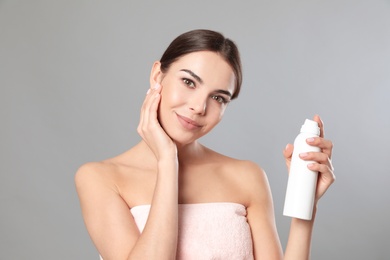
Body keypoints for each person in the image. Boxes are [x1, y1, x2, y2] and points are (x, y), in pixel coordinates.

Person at [75, 29, 335, 260]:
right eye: (188, 82)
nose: (199, 107)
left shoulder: (247, 176)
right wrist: (168, 162)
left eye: (218, 98)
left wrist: (306, 207)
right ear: (157, 75)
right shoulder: (101, 178)